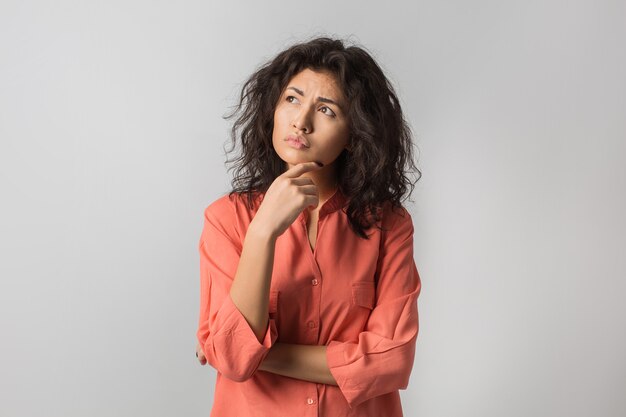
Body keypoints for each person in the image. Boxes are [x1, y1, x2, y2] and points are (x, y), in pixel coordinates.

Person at [195, 36, 422, 416]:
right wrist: (263, 231)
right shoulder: (226, 220)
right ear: (273, 108)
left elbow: (392, 359)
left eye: (327, 110)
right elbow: (234, 360)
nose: (301, 121)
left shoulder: (390, 226)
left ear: (355, 133)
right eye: (292, 99)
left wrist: (258, 353)